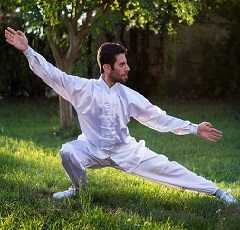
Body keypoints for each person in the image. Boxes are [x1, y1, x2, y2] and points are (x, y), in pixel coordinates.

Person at [5, 27, 238, 205]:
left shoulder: (129, 96)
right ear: (107, 68)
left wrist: (194, 128)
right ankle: (78, 191)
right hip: (92, 150)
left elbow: (159, 118)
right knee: (67, 151)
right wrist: (27, 50)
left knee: (171, 169)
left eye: (126, 64)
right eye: (122, 64)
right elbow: (51, 74)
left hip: (126, 152)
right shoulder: (81, 88)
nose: (128, 68)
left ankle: (218, 192)